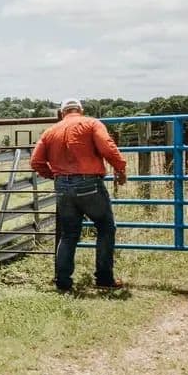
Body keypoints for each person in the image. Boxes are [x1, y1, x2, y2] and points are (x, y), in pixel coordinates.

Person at [30, 98, 128, 292]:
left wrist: (54, 175)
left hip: (62, 186)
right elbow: (108, 147)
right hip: (89, 183)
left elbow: (36, 161)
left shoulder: (50, 132)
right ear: (80, 110)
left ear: (62, 113)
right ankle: (104, 278)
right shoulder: (91, 123)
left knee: (68, 234)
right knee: (106, 228)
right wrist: (120, 168)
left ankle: (63, 282)